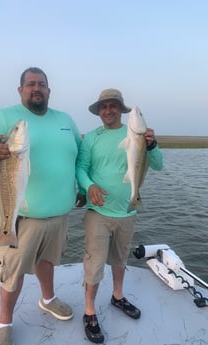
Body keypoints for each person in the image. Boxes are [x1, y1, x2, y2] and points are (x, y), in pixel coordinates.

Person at [0, 67, 85, 345]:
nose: (37, 88)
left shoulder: (65, 120)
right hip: (17, 214)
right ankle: (4, 322)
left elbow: (79, 157)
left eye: (42, 84)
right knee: (12, 271)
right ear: (20, 90)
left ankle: (48, 298)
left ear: (49, 91)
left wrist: (82, 186)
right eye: (30, 84)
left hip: (57, 214)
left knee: (48, 260)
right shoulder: (4, 117)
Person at [76, 88, 163, 343]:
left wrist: (153, 146)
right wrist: (88, 186)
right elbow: (81, 168)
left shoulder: (138, 136)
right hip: (98, 212)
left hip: (127, 210)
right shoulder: (91, 138)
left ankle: (117, 296)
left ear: (122, 110)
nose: (108, 110)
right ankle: (89, 311)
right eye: (104, 106)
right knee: (94, 263)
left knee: (120, 258)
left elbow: (159, 165)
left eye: (113, 105)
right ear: (99, 111)